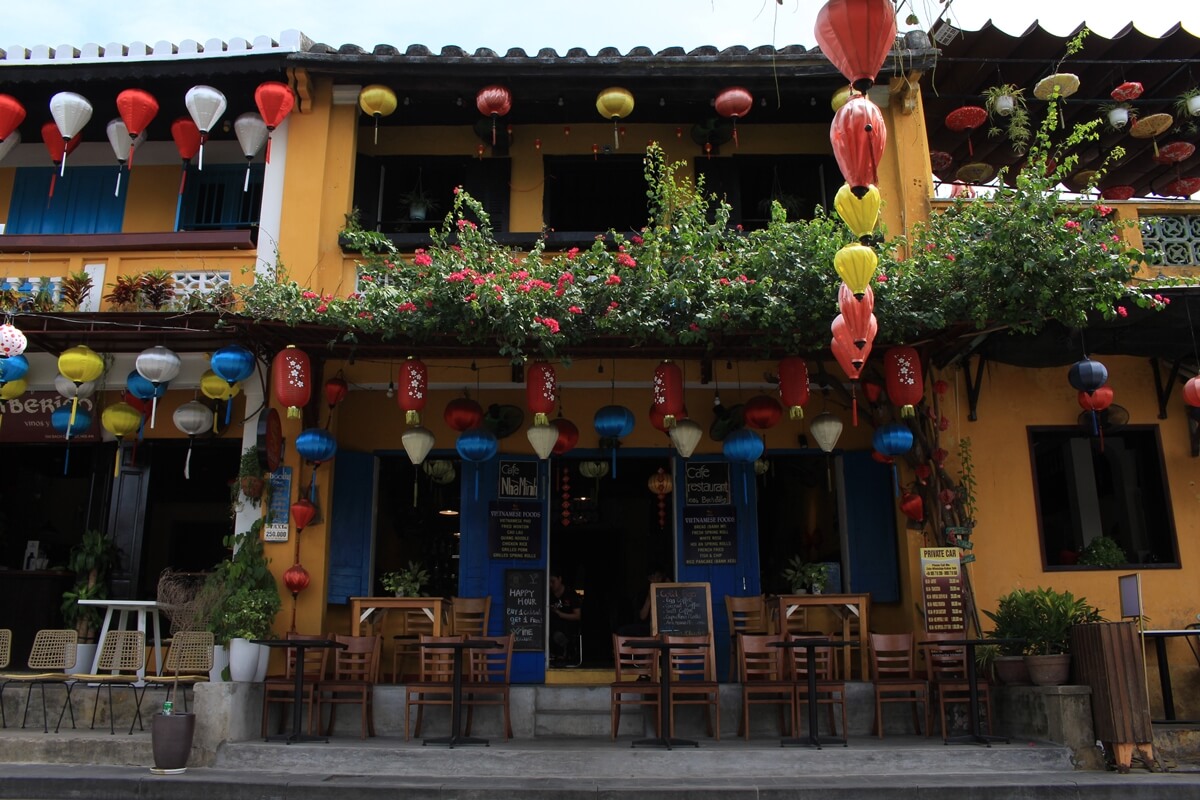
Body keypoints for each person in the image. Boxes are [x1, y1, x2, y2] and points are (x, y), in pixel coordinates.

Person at [618, 564, 668, 637]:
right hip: (647, 627)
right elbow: (642, 616)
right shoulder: (643, 594)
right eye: (652, 578)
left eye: (658, 577)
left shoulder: (668, 592)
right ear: (648, 579)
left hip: (665, 627)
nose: (656, 580)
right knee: (623, 631)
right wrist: (649, 598)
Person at [548, 569, 582, 665]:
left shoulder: (571, 593)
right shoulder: (548, 594)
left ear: (560, 579)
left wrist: (559, 613)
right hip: (552, 626)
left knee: (557, 627)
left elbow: (577, 616)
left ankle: (566, 650)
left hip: (569, 627)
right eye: (549, 582)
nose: (551, 585)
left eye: (553, 581)